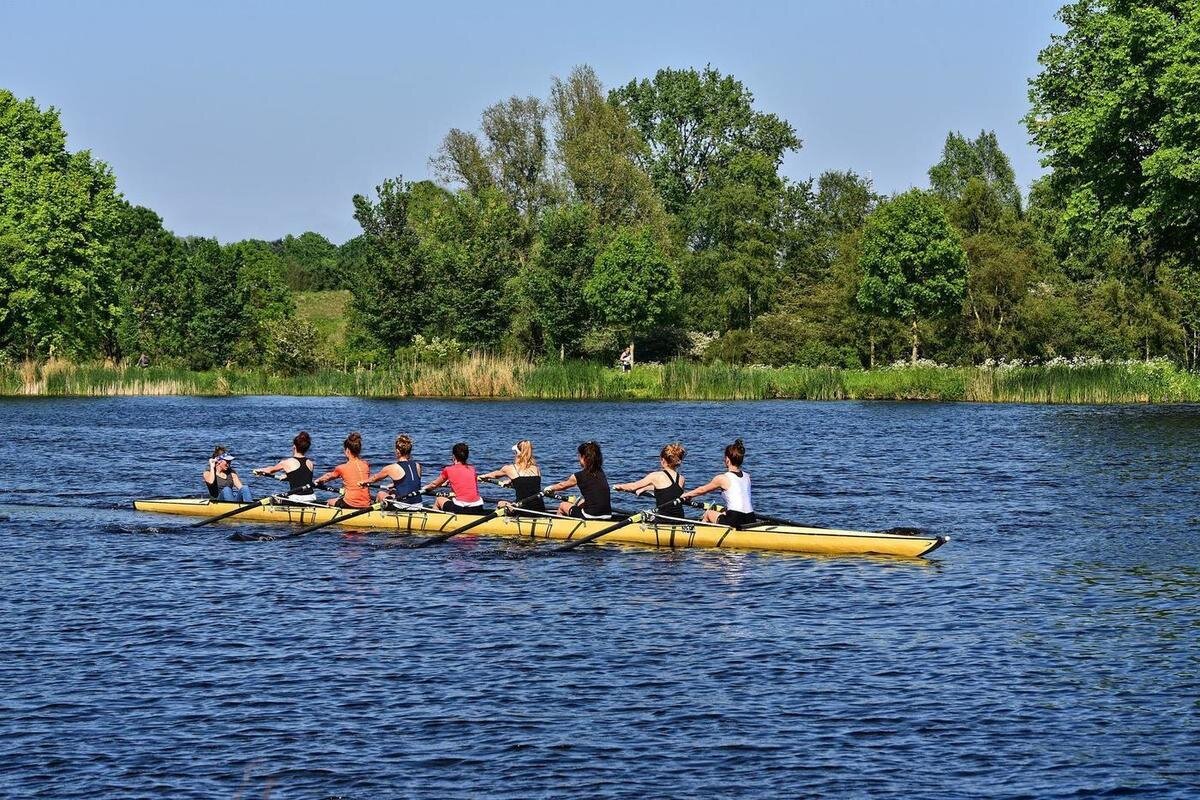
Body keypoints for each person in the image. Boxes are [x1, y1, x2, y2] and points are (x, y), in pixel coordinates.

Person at [681, 439, 755, 527]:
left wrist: (686, 495)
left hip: (735, 519)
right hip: (751, 518)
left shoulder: (723, 478)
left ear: (727, 459)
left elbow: (702, 490)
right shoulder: (747, 477)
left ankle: (702, 536)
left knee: (708, 514)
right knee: (724, 512)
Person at [614, 443, 687, 518]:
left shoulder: (655, 476)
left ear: (663, 460)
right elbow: (668, 490)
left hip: (664, 520)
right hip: (680, 518)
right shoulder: (681, 478)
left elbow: (633, 486)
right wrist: (645, 488)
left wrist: (620, 486)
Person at [546, 441, 612, 519]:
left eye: (579, 456)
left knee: (563, 505)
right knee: (581, 502)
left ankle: (557, 528)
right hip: (608, 515)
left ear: (583, 458)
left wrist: (550, 488)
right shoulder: (601, 472)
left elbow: (562, 485)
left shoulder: (579, 476)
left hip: (590, 515)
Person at [479, 439, 546, 513]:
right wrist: (512, 481)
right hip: (540, 509)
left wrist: (482, 477)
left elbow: (494, 475)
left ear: (517, 453)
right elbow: (528, 483)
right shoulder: (536, 469)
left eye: (515, 452)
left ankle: (495, 523)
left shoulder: (509, 468)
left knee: (500, 503)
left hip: (522, 510)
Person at [423, 442, 487, 515]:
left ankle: (434, 521)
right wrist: (449, 481)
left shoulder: (448, 469)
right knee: (453, 498)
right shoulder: (472, 469)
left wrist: (425, 488)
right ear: (467, 456)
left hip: (461, 508)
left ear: (453, 456)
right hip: (478, 506)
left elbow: (434, 485)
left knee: (439, 500)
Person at [252, 431, 316, 503]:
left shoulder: (286, 462)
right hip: (311, 497)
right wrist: (288, 477)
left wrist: (259, 470)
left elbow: (270, 470)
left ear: (294, 447)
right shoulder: (310, 463)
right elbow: (302, 478)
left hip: (296, 498)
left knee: (272, 499)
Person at [365, 434, 424, 509]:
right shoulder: (417, 465)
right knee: (392, 492)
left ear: (397, 451)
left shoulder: (392, 468)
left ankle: (377, 514)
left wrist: (363, 482)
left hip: (403, 507)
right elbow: (411, 482)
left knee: (380, 494)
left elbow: (374, 479)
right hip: (419, 505)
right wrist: (395, 484)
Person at [315, 432, 371, 509]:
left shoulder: (342, 468)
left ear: (347, 451)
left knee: (329, 501)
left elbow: (329, 476)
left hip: (350, 503)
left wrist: (318, 481)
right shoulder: (366, 465)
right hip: (366, 503)